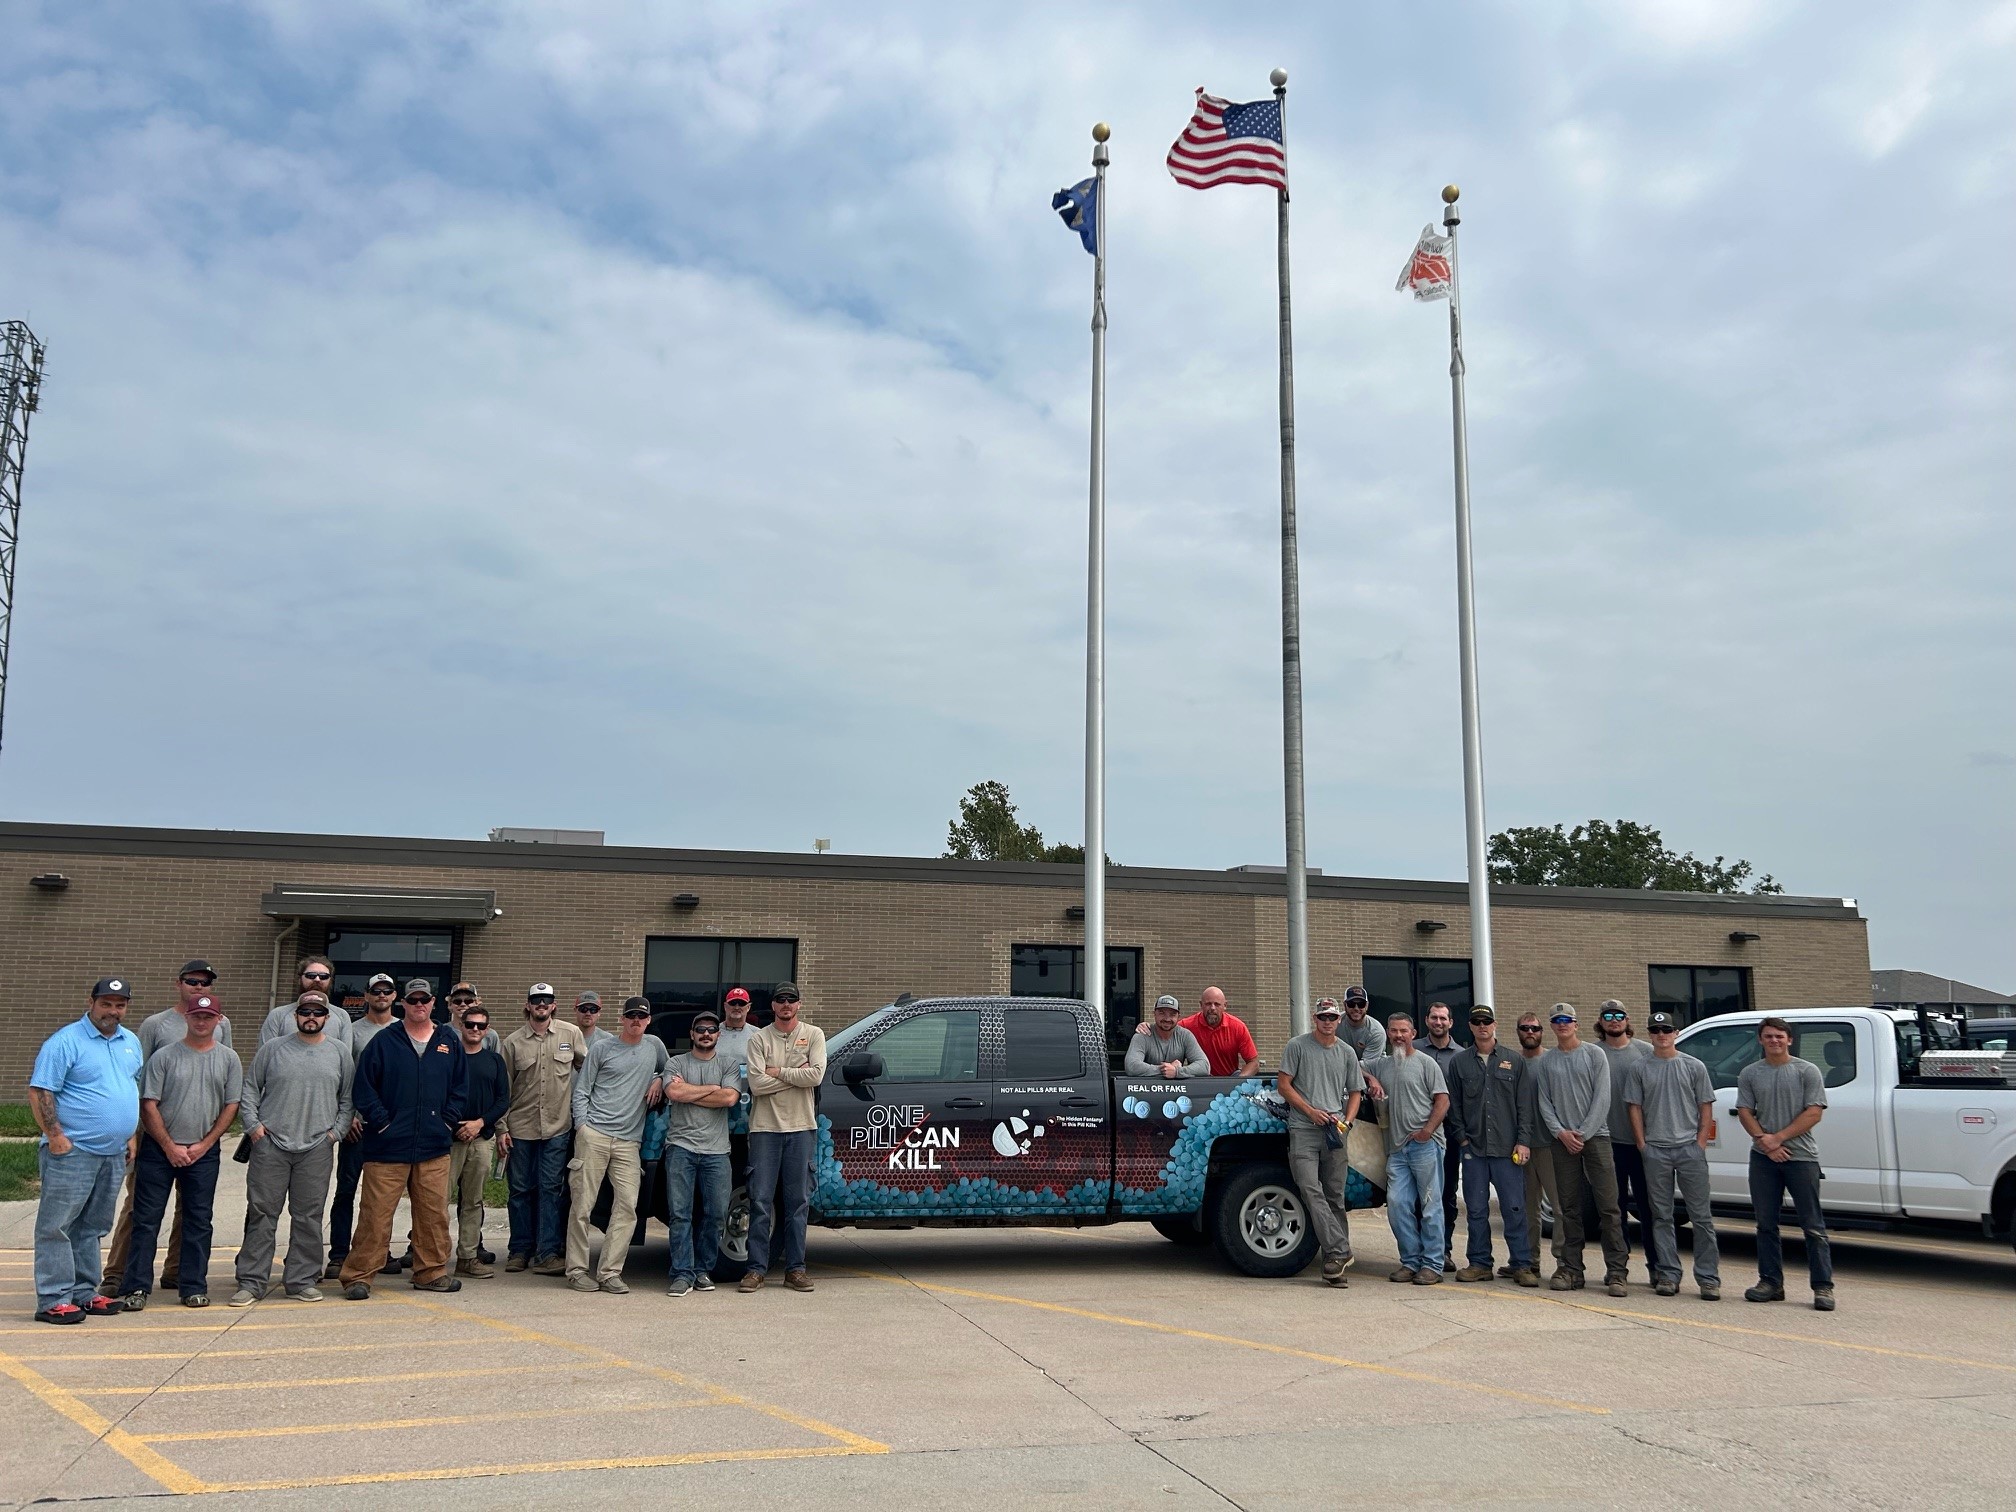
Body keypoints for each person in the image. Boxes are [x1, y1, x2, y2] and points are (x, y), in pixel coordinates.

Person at [101, 960, 230, 1299]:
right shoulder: (156, 1025)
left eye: (205, 983)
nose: (198, 987)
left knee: (192, 1213)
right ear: (179, 984)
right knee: (140, 1209)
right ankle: (120, 1274)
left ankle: (178, 1273)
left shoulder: (222, 1025)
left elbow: (223, 1082)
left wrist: (205, 1142)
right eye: (192, 981)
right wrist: (144, 1133)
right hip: (155, 1134)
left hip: (200, 1139)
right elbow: (137, 1080)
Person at [338, 980, 466, 1300]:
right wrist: (382, 1123)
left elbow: (461, 1087)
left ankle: (431, 1271)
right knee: (376, 1215)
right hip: (387, 1147)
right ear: (403, 1003)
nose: (419, 1004)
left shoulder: (449, 1040)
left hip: (433, 1147)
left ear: (433, 1002)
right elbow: (364, 1088)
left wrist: (447, 1121)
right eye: (413, 999)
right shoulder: (384, 1042)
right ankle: (359, 1276)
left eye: (424, 999)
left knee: (433, 1214)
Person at [29, 977, 144, 1324]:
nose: (113, 1011)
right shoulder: (66, 1041)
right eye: (106, 1003)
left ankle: (83, 1292)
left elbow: (129, 1086)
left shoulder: (130, 1042)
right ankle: (54, 1298)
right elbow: (40, 1091)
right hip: (73, 1150)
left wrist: (129, 1135)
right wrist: (56, 1136)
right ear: (91, 1002)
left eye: (120, 1004)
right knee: (57, 1226)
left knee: (92, 1226)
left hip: (112, 1152)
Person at [119, 996, 241, 1310]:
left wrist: (205, 1143)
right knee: (146, 1220)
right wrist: (169, 1146)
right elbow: (148, 1104)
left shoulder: (229, 1059)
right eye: (197, 1015)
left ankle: (193, 1287)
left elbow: (231, 1106)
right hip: (159, 1152)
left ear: (218, 1020)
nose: (202, 1021)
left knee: (199, 1221)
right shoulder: (164, 1057)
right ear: (187, 1017)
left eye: (208, 1016)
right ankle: (136, 1288)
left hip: (204, 1152)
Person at [232, 991, 353, 1305]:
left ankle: (301, 1280)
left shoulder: (339, 1052)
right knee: (262, 1214)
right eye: (305, 1012)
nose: (310, 1017)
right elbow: (250, 1090)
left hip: (316, 1147)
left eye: (317, 1012)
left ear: (327, 1017)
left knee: (309, 1217)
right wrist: (254, 1127)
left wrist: (335, 1133)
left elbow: (348, 1098)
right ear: (296, 1015)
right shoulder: (273, 1049)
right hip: (271, 1144)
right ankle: (251, 1282)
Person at [565, 997, 669, 1293]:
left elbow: (669, 1068)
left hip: (628, 1142)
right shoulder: (602, 1048)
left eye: (642, 1016)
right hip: (594, 1134)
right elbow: (582, 1090)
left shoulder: (654, 1046)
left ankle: (610, 1272)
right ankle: (576, 1270)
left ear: (648, 1020)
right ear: (622, 1019)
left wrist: (660, 1079)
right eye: (631, 1015)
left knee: (627, 1207)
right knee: (582, 1205)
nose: (636, 1020)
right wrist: (583, 1127)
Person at [1736, 1018, 1833, 1311]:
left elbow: (1814, 1112)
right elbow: (1744, 1111)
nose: (1774, 1041)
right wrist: (1764, 1142)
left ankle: (1823, 1287)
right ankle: (1770, 1283)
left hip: (1801, 1158)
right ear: (1760, 1040)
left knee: (1813, 1226)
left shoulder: (1807, 1071)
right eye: (1768, 1036)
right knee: (1766, 1225)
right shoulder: (1750, 1073)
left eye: (1779, 1036)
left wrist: (1778, 1139)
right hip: (1763, 1159)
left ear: (1789, 1040)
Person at [1534, 1004, 1628, 1296]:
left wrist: (1583, 1133)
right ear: (1552, 1026)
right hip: (1561, 1143)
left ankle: (1616, 1272)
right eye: (1557, 1020)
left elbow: (1603, 1098)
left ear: (1576, 1024)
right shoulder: (1548, 1061)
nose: (1562, 1025)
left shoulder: (1594, 1055)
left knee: (1609, 1208)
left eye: (1567, 1020)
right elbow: (1544, 1102)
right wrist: (1561, 1133)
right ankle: (1571, 1269)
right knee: (1569, 1208)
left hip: (1596, 1138)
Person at [1626, 1011, 1720, 1300]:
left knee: (1701, 1217)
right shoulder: (1640, 1067)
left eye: (1666, 1029)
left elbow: (1705, 1105)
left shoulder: (1694, 1066)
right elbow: (1635, 1107)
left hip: (1689, 1150)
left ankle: (1708, 1278)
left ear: (1676, 1032)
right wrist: (1643, 1144)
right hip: (1656, 1150)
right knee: (1661, 1216)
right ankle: (1667, 1274)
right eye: (1655, 1030)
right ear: (1650, 1035)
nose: (1661, 1034)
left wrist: (1700, 1142)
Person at [741, 981, 826, 1294]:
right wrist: (793, 1074)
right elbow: (756, 1084)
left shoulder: (813, 1034)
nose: (786, 1005)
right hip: (765, 1129)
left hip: (801, 1128)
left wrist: (776, 1071)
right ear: (773, 1006)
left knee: (797, 1203)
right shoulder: (758, 1038)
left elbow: (815, 1076)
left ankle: (796, 1269)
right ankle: (755, 1270)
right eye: (780, 1000)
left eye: (791, 1000)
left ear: (798, 1005)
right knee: (760, 1202)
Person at [1446, 1006, 1539, 1286]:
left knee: (1514, 1208)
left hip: (1507, 1150)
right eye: (1477, 1022)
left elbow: (1524, 1106)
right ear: (1471, 1026)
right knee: (1475, 1209)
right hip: (1474, 1149)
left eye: (1487, 1022)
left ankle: (1521, 1264)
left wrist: (1523, 1141)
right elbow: (1454, 1106)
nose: (1482, 1026)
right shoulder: (1459, 1063)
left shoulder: (1513, 1060)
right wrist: (1462, 1138)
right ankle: (1479, 1263)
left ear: (1495, 1025)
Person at [1276, 997, 1365, 1287]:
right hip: (1303, 1129)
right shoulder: (1297, 1046)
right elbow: (1284, 1085)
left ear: (1339, 1020)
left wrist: (1347, 1123)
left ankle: (1334, 1263)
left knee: (1334, 1196)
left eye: (1332, 1017)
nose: (1328, 1022)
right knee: (1309, 1189)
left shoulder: (1347, 1052)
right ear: (1314, 1018)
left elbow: (1355, 1092)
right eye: (1322, 1017)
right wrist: (1310, 1112)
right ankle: (1341, 1248)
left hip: (1335, 1132)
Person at [498, 983, 586, 1275]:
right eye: (536, 1000)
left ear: (554, 1004)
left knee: (550, 1189)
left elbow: (587, 1071)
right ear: (528, 1005)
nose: (541, 1005)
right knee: (520, 1190)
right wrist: (502, 1128)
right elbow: (503, 1088)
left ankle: (547, 1253)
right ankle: (519, 1251)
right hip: (520, 1128)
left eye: (546, 1000)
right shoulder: (512, 1042)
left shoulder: (570, 1034)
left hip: (557, 1127)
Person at [662, 1008, 743, 1296]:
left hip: (717, 1151)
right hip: (680, 1148)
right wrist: (712, 1089)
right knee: (680, 1214)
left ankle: (702, 1271)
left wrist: (692, 1090)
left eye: (711, 1030)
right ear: (692, 1034)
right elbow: (674, 1094)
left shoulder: (729, 1064)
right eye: (701, 1030)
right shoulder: (675, 1062)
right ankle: (682, 1273)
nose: (706, 1034)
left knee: (717, 1214)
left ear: (718, 1035)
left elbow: (730, 1098)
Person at [1365, 1014, 1450, 1285]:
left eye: (1404, 1031)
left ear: (1413, 1033)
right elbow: (1351, 1064)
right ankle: (1410, 1261)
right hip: (1397, 1150)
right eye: (1394, 1031)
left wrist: (1427, 1132)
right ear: (1388, 1034)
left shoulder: (1426, 1064)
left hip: (1426, 1146)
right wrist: (1371, 1079)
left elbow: (1443, 1101)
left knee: (1430, 1205)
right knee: (1398, 1205)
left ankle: (1433, 1264)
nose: (1399, 1036)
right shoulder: (1382, 1064)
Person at [325, 972, 398, 1279]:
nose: (381, 996)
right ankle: (339, 1253)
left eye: (387, 991)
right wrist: (349, 1116)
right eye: (376, 991)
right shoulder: (351, 1032)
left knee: (385, 1195)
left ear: (394, 996)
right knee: (346, 1191)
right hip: (357, 1126)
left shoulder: (402, 1031)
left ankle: (381, 1251)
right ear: (366, 996)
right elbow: (344, 1077)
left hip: (390, 1128)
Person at [1596, 999, 1656, 1280]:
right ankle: (1617, 1269)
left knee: (1650, 1209)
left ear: (1627, 1018)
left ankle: (1657, 1268)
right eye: (1608, 1015)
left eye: (1619, 1014)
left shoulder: (1646, 1052)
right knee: (1613, 1211)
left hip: (1643, 1144)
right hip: (1608, 1143)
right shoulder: (1594, 1054)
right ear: (1601, 1021)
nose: (1614, 1019)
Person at [449, 1005, 510, 1278]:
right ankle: (432, 1257)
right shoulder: (448, 1056)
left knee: (473, 1201)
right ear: (461, 1026)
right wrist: (455, 1126)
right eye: (470, 1024)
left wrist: (479, 1124)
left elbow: (502, 1101)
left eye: (481, 1026)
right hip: (449, 1138)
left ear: (487, 1030)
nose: (475, 1030)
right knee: (437, 1201)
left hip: (481, 1138)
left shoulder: (494, 1061)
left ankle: (467, 1258)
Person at [1512, 1010, 1562, 1277]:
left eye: (1535, 1028)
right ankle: (1530, 1262)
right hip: (1523, 1147)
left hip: (1552, 1146)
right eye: (1525, 1028)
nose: (1530, 1032)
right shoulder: (1513, 1063)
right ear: (1518, 1031)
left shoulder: (1552, 1061)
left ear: (1542, 1031)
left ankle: (1564, 1264)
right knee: (1528, 1210)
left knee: (1559, 1206)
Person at [1420, 1002, 1465, 1269]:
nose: (1439, 1022)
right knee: (1419, 1195)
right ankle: (1419, 1249)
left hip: (1448, 1132)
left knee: (1446, 1192)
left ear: (1451, 1023)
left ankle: (1444, 1249)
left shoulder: (1460, 1055)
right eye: (1434, 1017)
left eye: (1443, 1018)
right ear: (1427, 1021)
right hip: (1415, 1131)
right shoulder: (1411, 1049)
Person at [259, 956, 355, 1052]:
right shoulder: (278, 1015)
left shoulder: (342, 1016)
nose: (317, 979)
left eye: (323, 976)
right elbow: (265, 1057)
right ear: (300, 978)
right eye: (311, 975)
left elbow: (345, 1058)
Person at [1125, 996, 1210, 1078]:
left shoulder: (1185, 1036)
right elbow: (1131, 1066)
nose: (1167, 1018)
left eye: (1172, 1014)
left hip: (1178, 1091)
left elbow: (1204, 1066)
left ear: (1178, 1016)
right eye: (1162, 1013)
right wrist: (1163, 1070)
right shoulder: (1143, 1034)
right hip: (1147, 1089)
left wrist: (1177, 1072)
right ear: (1154, 1014)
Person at [446, 982, 501, 1055]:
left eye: (468, 1001)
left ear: (477, 1003)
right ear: (450, 1004)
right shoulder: (442, 1032)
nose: (463, 1004)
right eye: (457, 1001)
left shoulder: (490, 1035)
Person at [714, 987, 756, 1071]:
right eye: (733, 1003)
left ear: (748, 1007)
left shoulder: (758, 1034)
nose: (737, 1007)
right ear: (725, 1006)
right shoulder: (712, 1032)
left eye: (741, 1003)